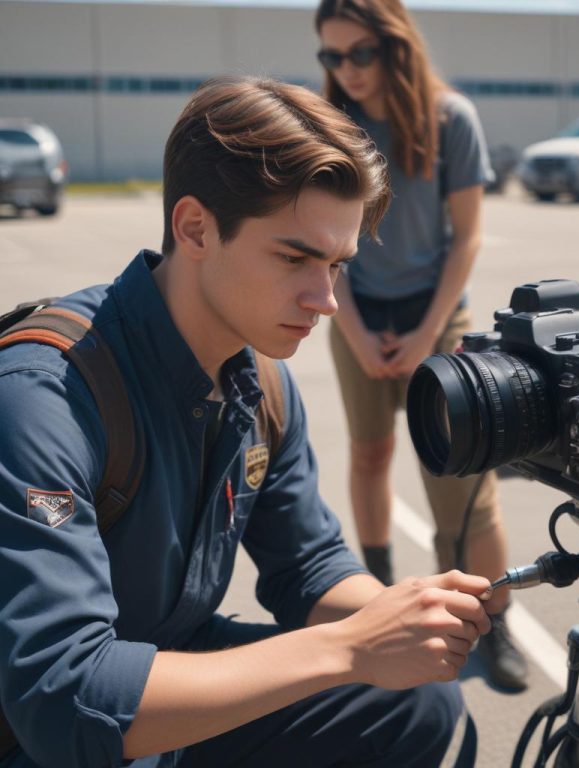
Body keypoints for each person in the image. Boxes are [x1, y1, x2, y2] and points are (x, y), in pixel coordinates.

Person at [0, 75, 495, 768]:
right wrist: (348, 647)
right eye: (294, 257)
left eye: (336, 264)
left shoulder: (258, 379)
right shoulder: (44, 396)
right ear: (196, 228)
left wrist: (404, 620)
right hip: (41, 737)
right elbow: (62, 698)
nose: (324, 299)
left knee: (418, 702)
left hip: (164, 677)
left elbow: (309, 568)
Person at [314, 0, 528, 689]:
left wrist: (425, 335)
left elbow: (465, 238)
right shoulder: (330, 125)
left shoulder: (449, 119)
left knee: (464, 483)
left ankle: (492, 620)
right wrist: (355, 331)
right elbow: (323, 245)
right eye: (330, 56)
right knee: (371, 454)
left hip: (437, 315)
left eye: (358, 54)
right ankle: (374, 595)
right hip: (355, 310)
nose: (344, 71)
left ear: (395, 48)